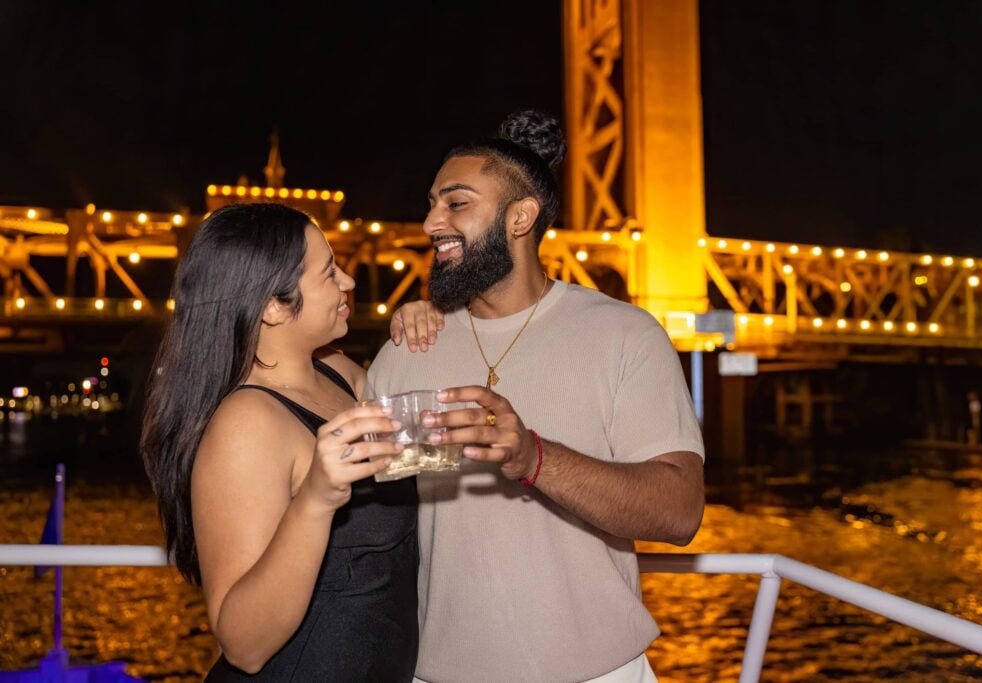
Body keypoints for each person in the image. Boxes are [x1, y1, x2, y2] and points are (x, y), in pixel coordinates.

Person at [369, 111, 706, 683]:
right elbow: (369, 490)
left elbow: (679, 513)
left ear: (520, 217)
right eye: (430, 204)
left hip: (598, 674)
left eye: (455, 204)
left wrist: (533, 458)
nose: (430, 222)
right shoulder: (409, 346)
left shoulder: (624, 334)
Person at [140, 203, 418, 681]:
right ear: (273, 305)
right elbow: (243, 645)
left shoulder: (341, 375)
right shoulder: (247, 424)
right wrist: (315, 499)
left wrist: (424, 319)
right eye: (330, 273)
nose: (349, 282)